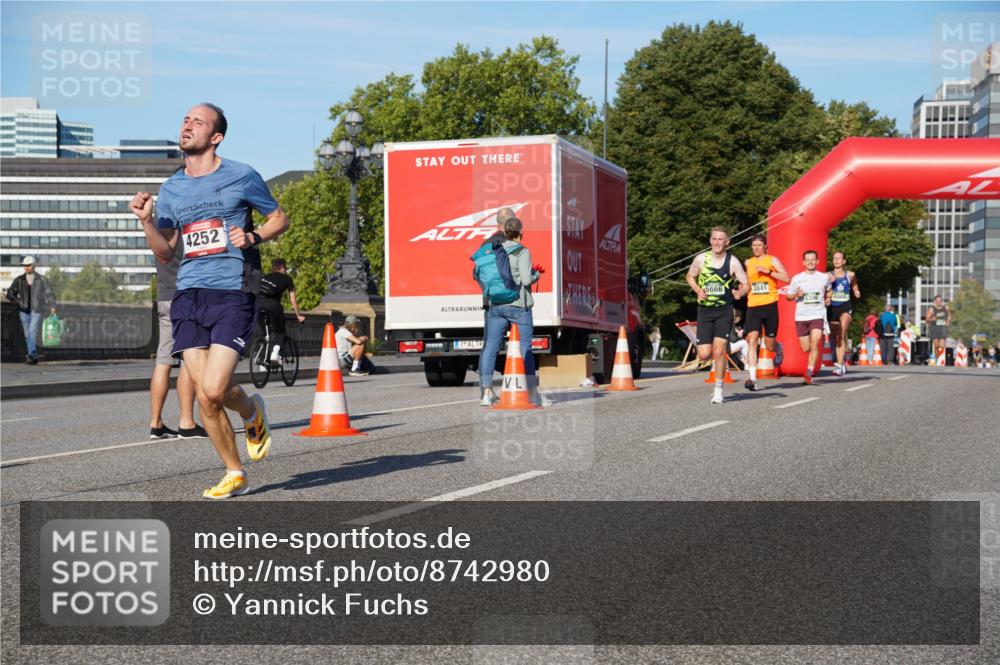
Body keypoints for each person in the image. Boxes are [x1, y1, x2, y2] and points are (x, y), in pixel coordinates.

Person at [131, 103, 290, 499]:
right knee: (205, 394)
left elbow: (279, 218)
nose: (187, 125)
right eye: (185, 119)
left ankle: (251, 412)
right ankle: (235, 472)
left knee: (214, 391)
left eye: (197, 122)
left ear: (215, 137)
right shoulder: (172, 189)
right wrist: (147, 221)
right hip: (187, 294)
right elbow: (165, 252)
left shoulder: (241, 175)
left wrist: (253, 237)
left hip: (233, 290)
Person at [477, 217, 542, 406]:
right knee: (525, 347)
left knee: (490, 348)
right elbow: (526, 280)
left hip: (496, 306)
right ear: (521, 232)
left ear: (505, 233)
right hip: (519, 307)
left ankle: (487, 392)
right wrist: (536, 274)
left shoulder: (494, 250)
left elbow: (479, 276)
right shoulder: (522, 251)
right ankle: (531, 393)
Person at [149, 244, 207, 439]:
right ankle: (186, 422)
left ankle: (156, 424)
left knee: (163, 361)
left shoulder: (159, 233)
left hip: (164, 296)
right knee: (189, 357)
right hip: (185, 295)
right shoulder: (187, 232)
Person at [686, 227, 749, 403]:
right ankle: (728, 346)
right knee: (704, 354)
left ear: (727, 242)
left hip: (724, 311)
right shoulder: (701, 259)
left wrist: (741, 292)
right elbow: (689, 276)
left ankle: (718, 390)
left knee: (718, 351)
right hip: (705, 311)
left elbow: (746, 284)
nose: (716, 242)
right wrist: (698, 290)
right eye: (714, 239)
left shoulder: (733, 262)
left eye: (720, 239)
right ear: (710, 240)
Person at [742, 234, 789, 391]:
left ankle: (778, 348)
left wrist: (768, 272)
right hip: (753, 306)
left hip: (770, 305)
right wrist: (740, 292)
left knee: (769, 345)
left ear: (765, 247)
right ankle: (753, 379)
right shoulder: (748, 263)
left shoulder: (772, 260)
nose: (756, 248)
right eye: (754, 245)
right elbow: (747, 285)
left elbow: (787, 278)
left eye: (759, 245)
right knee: (752, 340)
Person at [786, 249, 830, 385]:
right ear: (804, 262)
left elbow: (829, 290)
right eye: (808, 260)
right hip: (801, 316)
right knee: (806, 347)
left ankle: (809, 373)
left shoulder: (824, 277)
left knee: (815, 341)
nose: (810, 262)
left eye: (813, 259)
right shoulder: (797, 278)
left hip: (817, 314)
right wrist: (796, 295)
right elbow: (788, 297)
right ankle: (813, 356)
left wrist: (828, 298)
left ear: (817, 261)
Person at [5, 256, 57, 365]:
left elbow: (49, 293)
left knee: (32, 332)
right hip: (23, 311)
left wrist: (52, 306)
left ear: (34, 266)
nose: (26, 267)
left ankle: (31, 355)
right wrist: (18, 301)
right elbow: (10, 293)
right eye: (24, 265)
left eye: (28, 265)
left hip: (37, 310)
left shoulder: (41, 279)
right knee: (27, 334)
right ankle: (33, 355)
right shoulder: (19, 279)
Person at [256, 258, 305, 362]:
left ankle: (262, 359)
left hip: (257, 304)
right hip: (273, 305)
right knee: (280, 332)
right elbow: (293, 300)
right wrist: (298, 316)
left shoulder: (265, 277)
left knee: (265, 334)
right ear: (282, 268)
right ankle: (275, 352)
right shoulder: (287, 279)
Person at [826, 251, 861, 376]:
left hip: (845, 306)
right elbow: (823, 289)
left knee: (841, 333)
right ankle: (840, 359)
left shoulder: (850, 275)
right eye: (834, 258)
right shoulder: (827, 275)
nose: (836, 260)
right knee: (834, 336)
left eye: (839, 258)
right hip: (832, 308)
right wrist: (827, 298)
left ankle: (839, 366)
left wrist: (856, 290)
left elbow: (854, 283)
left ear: (844, 261)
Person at [925, 295, 951, 366]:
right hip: (934, 328)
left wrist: (948, 321)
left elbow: (949, 315)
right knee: (936, 346)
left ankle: (941, 360)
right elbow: (927, 319)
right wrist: (932, 319)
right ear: (935, 301)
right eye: (938, 300)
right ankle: (938, 358)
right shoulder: (932, 309)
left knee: (942, 346)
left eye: (940, 300)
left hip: (943, 328)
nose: (939, 302)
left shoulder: (945, 307)